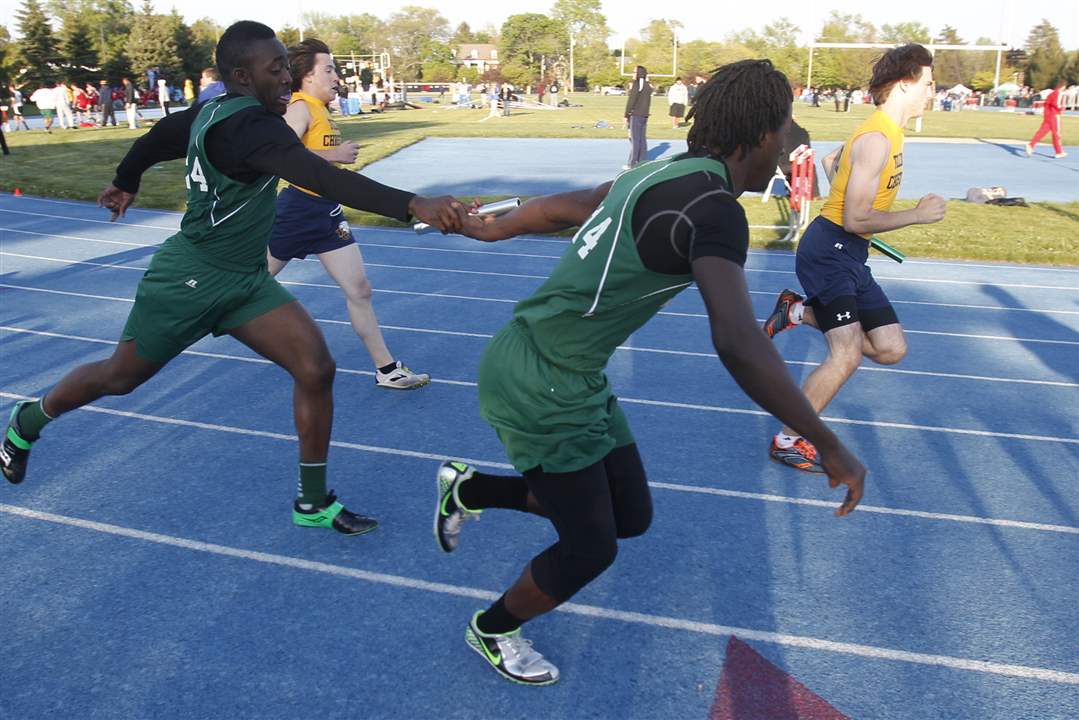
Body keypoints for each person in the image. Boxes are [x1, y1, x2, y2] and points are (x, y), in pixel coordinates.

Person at [433, 59, 866, 686]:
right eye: (784, 130)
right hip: (540, 381)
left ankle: (468, 490)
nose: (786, 146)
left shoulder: (661, 171)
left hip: (567, 373)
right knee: (591, 546)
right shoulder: (716, 210)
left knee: (629, 516)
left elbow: (570, 207)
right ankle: (492, 628)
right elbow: (739, 341)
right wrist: (827, 444)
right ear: (762, 133)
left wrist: (496, 228)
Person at [1, 21, 466, 537]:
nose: (287, 77)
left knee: (314, 368)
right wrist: (412, 203)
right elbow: (321, 177)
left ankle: (312, 503)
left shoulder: (213, 109)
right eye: (276, 69)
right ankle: (27, 421)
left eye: (287, 66)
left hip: (244, 281)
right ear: (242, 76)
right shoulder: (251, 129)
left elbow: (160, 134)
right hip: (190, 279)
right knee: (121, 377)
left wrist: (125, 180)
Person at [762, 44, 946, 472]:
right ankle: (789, 439)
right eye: (928, 83)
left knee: (890, 348)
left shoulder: (885, 132)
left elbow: (832, 160)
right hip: (829, 252)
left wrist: (843, 184)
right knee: (844, 355)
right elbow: (857, 215)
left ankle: (799, 312)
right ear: (905, 84)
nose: (933, 92)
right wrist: (917, 215)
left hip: (849, 253)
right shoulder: (877, 138)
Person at [268, 39, 428, 389]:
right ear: (307, 77)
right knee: (248, 285)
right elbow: (281, 156)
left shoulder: (320, 108)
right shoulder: (301, 108)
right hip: (297, 210)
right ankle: (190, 319)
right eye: (328, 69)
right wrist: (334, 156)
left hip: (326, 212)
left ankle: (387, 370)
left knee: (360, 289)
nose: (336, 77)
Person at [1025, 80, 1067, 159]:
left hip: (1048, 115)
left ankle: (1031, 145)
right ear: (1063, 86)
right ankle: (1059, 151)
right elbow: (1056, 104)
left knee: (1042, 132)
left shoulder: (1052, 93)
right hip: (1054, 115)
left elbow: (1047, 103)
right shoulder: (1058, 93)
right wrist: (1061, 108)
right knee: (1056, 133)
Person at [623, 66, 653, 168]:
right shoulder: (648, 85)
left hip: (636, 115)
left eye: (634, 72)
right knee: (642, 139)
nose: (633, 73)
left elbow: (631, 101)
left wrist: (626, 114)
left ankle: (632, 163)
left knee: (635, 139)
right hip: (644, 115)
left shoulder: (637, 85)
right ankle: (642, 161)